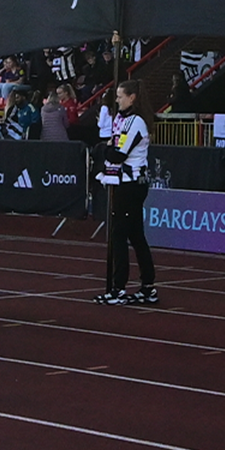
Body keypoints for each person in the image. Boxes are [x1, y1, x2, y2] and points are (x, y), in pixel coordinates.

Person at [94, 83, 157, 307]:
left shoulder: (136, 122)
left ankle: (119, 288)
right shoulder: (122, 120)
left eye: (120, 97)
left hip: (131, 185)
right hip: (124, 183)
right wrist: (107, 148)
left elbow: (118, 154)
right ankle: (148, 286)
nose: (117, 100)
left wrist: (105, 149)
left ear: (132, 98)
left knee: (120, 234)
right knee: (135, 235)